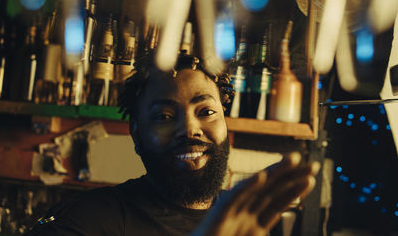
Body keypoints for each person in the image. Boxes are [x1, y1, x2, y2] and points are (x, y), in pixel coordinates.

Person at [26, 53, 320, 236]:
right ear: (137, 135)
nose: (190, 129)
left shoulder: (242, 219)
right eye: (165, 116)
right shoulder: (87, 219)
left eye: (206, 112)